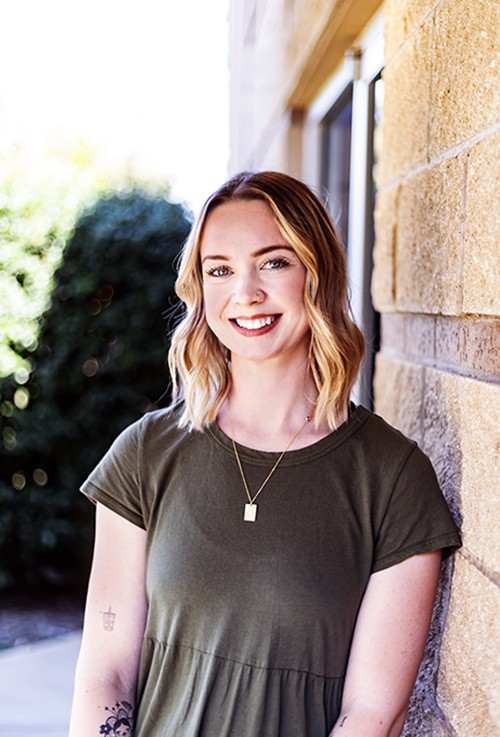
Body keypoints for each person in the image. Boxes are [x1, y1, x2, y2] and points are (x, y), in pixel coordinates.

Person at [69, 171, 461, 737]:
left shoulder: (392, 477)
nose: (245, 293)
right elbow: (105, 675)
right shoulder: (145, 453)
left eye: (273, 262)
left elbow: (374, 714)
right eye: (219, 269)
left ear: (316, 273)